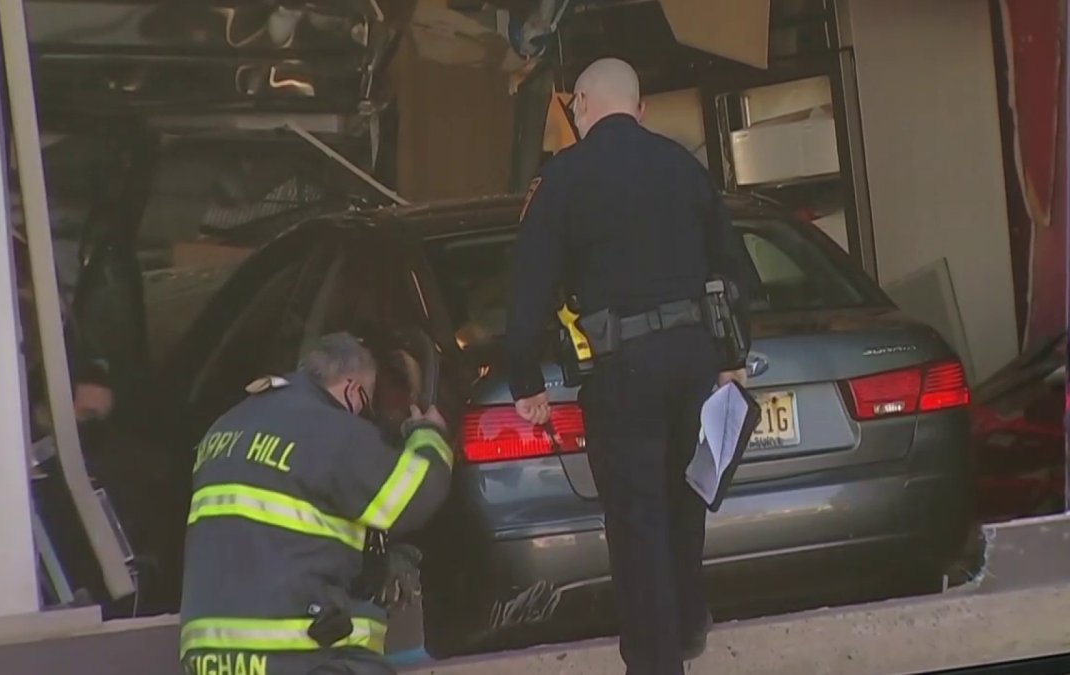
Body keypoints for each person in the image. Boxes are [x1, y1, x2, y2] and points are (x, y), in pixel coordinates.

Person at [504, 58, 750, 675]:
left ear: (581, 107)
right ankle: (687, 620)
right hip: (693, 361)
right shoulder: (683, 166)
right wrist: (732, 358)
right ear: (640, 110)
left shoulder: (563, 178)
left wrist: (525, 380)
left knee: (637, 522)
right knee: (686, 496)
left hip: (623, 370)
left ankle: (657, 661)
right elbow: (735, 268)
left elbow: (529, 286)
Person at [179, 332, 453, 675]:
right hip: (291, 651)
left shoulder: (225, 427)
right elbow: (412, 497)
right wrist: (428, 434)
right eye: (366, 402)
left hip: (207, 656)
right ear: (353, 391)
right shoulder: (331, 429)